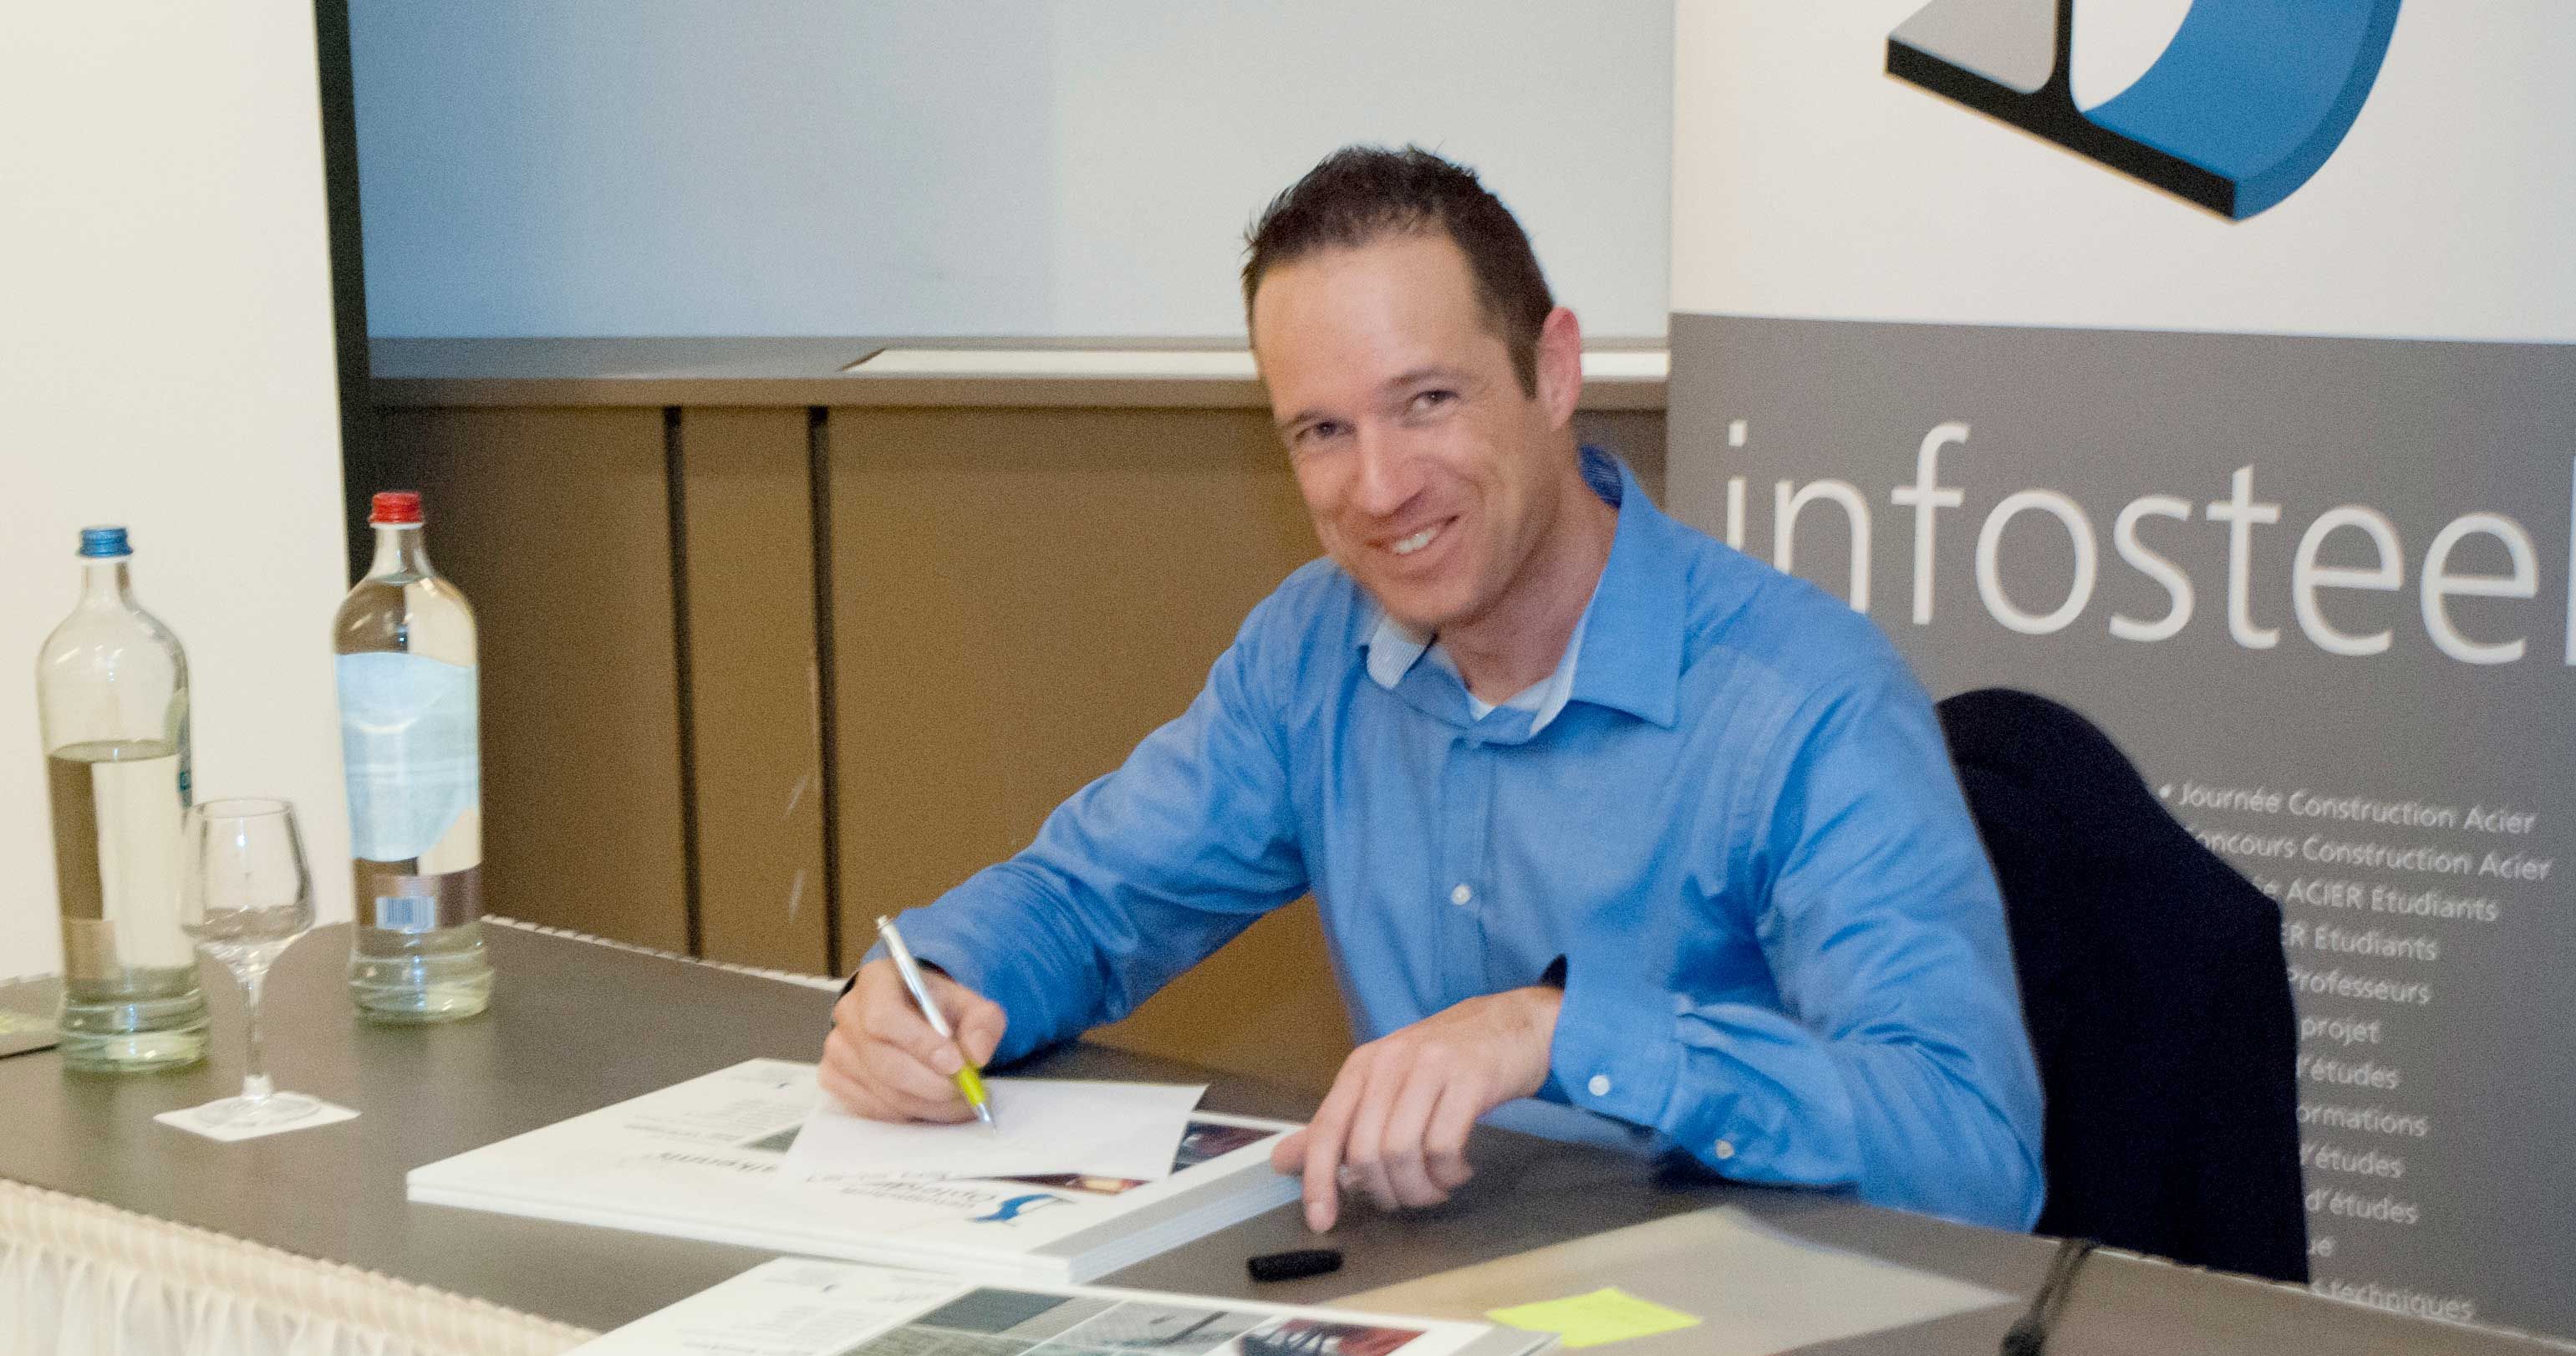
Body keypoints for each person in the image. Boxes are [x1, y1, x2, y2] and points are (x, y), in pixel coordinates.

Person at [820, 146, 2044, 1234]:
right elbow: (1088, 901)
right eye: (1321, 431)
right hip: (1428, 1301)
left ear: (1552, 372)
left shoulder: (1803, 698)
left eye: (1427, 402)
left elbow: (1973, 1153)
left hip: (1756, 1351)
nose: (1379, 487)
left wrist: (1558, 1033)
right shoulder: (1310, 652)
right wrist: (936, 985)